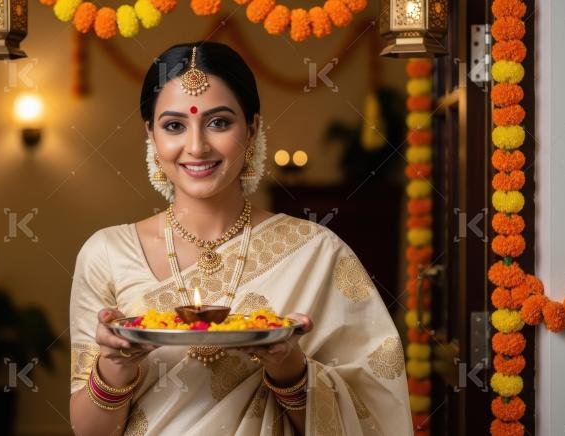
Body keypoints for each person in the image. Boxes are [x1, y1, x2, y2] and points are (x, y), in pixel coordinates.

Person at [68, 41, 412, 436]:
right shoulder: (106, 254)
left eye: (219, 122)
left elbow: (371, 415)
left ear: (252, 129)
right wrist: (115, 365)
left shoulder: (316, 252)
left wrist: (288, 368)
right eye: (174, 125)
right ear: (151, 134)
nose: (196, 147)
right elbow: (89, 431)